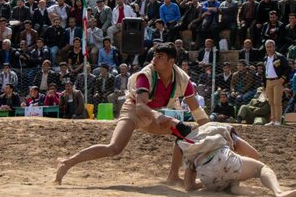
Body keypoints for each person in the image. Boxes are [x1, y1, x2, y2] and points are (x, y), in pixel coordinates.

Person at [55, 42, 209, 185]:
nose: (154, 59)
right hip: (133, 111)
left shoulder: (182, 78)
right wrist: (156, 115)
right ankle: (68, 162)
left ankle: (173, 176)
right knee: (114, 148)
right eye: (154, 55)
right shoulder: (146, 74)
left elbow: (197, 111)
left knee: (184, 132)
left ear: (171, 62)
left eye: (160, 57)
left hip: (154, 115)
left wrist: (213, 130)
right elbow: (140, 106)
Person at [179, 124, 296, 197]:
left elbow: (189, 186)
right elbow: (255, 155)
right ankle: (279, 192)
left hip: (208, 177)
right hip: (224, 158)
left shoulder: (188, 148)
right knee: (261, 168)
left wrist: (203, 182)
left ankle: (233, 187)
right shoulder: (220, 128)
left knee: (228, 174)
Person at [263, 40, 290, 126]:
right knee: (271, 102)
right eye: (267, 47)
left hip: (277, 81)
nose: (269, 48)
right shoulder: (265, 58)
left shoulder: (279, 57)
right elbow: (265, 71)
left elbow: (288, 68)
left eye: (270, 47)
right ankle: (273, 120)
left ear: (274, 47)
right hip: (268, 81)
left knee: (277, 102)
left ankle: (278, 121)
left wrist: (283, 78)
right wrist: (264, 84)